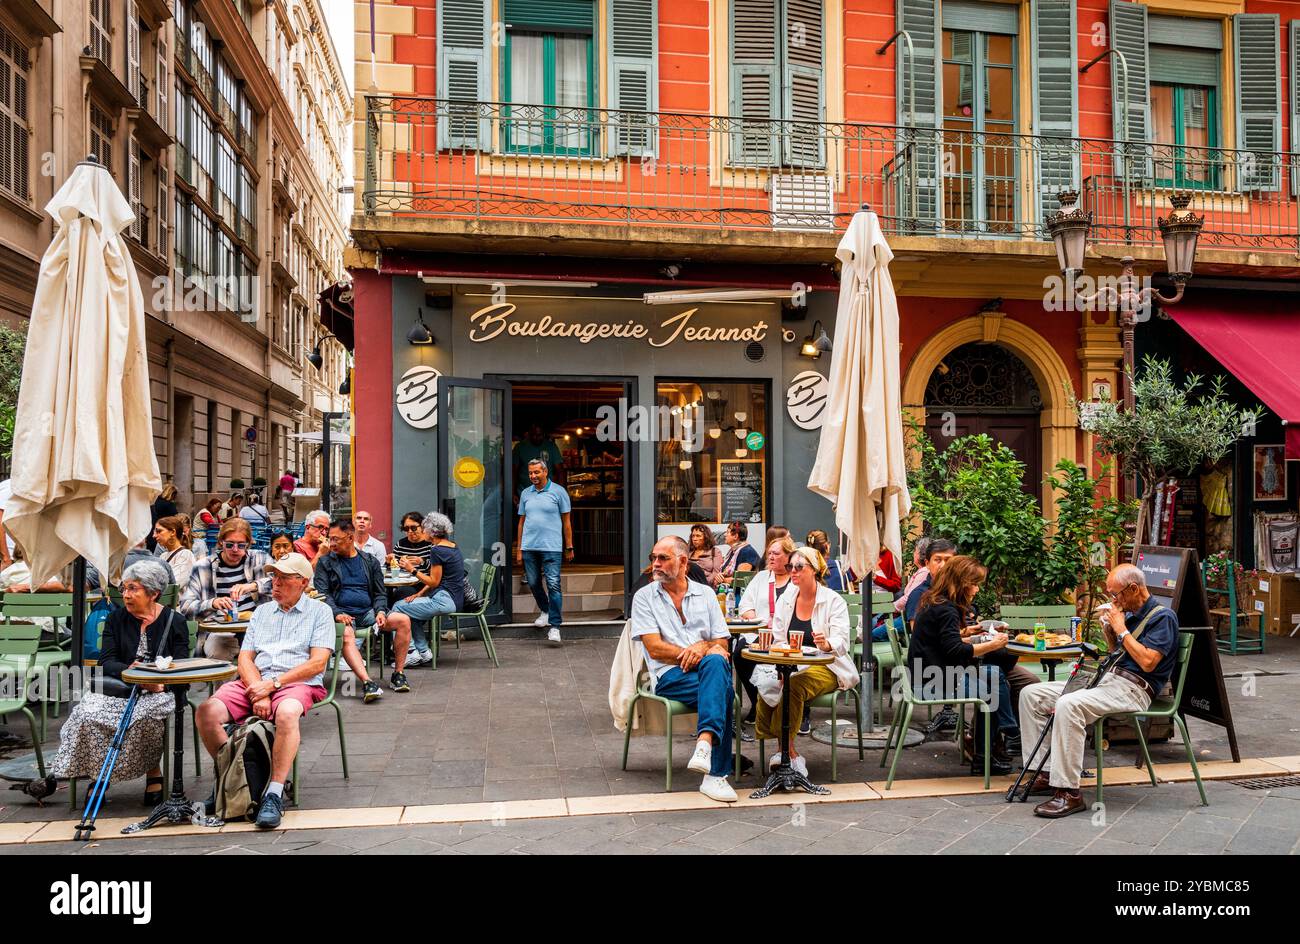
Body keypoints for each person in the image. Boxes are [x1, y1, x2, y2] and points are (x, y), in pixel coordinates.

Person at [1019, 564, 1181, 819]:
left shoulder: (1163, 618)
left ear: (1134, 589)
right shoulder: (1129, 612)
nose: (1113, 600)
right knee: (1031, 694)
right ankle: (1046, 773)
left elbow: (1148, 662)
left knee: (1069, 705)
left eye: (1115, 594)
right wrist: (1110, 632)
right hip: (1108, 680)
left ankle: (1068, 793)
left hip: (1134, 689)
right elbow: (1120, 652)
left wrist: (1121, 629)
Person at [195, 552, 334, 828]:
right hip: (256, 681)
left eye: (283, 578)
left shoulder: (320, 612)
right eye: (274, 577)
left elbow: (318, 663)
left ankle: (274, 791)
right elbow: (245, 658)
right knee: (206, 712)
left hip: (296, 682)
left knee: (286, 714)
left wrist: (273, 687)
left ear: (303, 582)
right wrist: (261, 689)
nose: (276, 584)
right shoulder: (261, 612)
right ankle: (233, 778)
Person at [37, 560, 189, 806]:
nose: (126, 595)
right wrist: (131, 671)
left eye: (133, 589)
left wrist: (160, 685)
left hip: (159, 690)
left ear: (153, 594)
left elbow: (182, 666)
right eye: (124, 589)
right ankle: (100, 775)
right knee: (87, 714)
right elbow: (107, 661)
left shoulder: (175, 621)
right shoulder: (116, 619)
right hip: (120, 687)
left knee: (144, 719)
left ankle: (153, 772)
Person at [629, 536, 737, 803]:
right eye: (654, 558)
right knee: (721, 683)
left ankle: (703, 745)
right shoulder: (644, 597)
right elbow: (654, 648)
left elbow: (722, 642)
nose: (655, 564)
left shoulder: (707, 594)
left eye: (663, 558)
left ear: (683, 561)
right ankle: (716, 774)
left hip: (704, 671)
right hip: (670, 676)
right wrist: (696, 653)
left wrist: (702, 648)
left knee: (716, 663)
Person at [909, 555, 1017, 776]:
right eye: (974, 584)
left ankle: (1002, 738)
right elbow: (954, 651)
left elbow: (945, 641)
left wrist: (968, 633)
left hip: (926, 674)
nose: (976, 590)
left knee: (994, 675)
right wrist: (993, 643)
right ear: (959, 583)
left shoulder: (934, 600)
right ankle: (990, 752)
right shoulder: (947, 609)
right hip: (934, 682)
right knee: (991, 690)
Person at [757, 547, 859, 775]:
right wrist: (783, 668)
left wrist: (827, 644)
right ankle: (788, 754)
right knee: (765, 683)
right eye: (790, 567)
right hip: (793, 663)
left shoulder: (833, 600)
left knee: (795, 686)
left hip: (827, 666)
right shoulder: (787, 599)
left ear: (814, 570)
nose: (792, 571)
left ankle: (786, 754)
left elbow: (843, 642)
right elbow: (779, 638)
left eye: (799, 567)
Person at [313, 519, 389, 703]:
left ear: (349, 538)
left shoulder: (369, 561)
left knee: (402, 620)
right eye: (329, 539)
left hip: (368, 612)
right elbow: (323, 594)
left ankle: (399, 675)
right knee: (347, 634)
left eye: (335, 539)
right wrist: (337, 612)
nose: (331, 544)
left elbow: (380, 592)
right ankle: (368, 682)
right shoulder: (326, 562)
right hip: (342, 615)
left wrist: (380, 611)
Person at [180, 518, 272, 661]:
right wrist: (212, 603)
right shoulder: (203, 567)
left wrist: (253, 586)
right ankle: (226, 684)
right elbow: (186, 607)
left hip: (259, 629)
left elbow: (282, 584)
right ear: (221, 542)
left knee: (272, 654)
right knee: (217, 651)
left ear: (248, 544)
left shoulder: (260, 559)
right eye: (229, 545)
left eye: (241, 545)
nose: (235, 550)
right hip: (221, 631)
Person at [385, 512, 465, 670]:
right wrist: (418, 594)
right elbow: (440, 579)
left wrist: (412, 570)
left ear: (430, 531)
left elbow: (433, 581)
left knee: (397, 609)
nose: (422, 532)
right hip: (453, 598)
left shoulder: (437, 550)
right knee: (409, 608)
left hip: (443, 600)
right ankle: (423, 650)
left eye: (424, 528)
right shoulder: (452, 546)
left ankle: (411, 651)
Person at [736, 535, 797, 725]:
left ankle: (800, 710)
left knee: (794, 663)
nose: (770, 557)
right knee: (739, 654)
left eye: (776, 553)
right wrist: (760, 622)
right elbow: (745, 606)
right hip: (761, 633)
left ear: (788, 556)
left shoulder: (796, 579)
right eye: (769, 553)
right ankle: (757, 702)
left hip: (788, 635)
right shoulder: (761, 577)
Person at [515, 457, 573, 645]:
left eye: (536, 472)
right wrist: (519, 548)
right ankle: (546, 611)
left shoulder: (559, 492)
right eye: (530, 472)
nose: (533, 476)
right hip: (530, 547)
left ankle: (555, 626)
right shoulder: (525, 493)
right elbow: (521, 522)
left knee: (554, 584)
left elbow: (566, 522)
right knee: (532, 582)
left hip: (552, 547)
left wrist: (569, 546)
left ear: (545, 472)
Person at [391, 511, 436, 663]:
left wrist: (421, 562)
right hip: (405, 585)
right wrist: (390, 561)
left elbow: (436, 574)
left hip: (426, 588)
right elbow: (394, 566)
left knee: (401, 603)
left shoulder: (431, 545)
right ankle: (421, 649)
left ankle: (410, 649)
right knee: (394, 598)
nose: (410, 532)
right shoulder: (401, 544)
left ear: (423, 527)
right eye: (406, 529)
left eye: (413, 528)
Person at [903, 538, 957, 623]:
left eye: (948, 560)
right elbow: (919, 634)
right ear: (927, 564)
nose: (943, 565)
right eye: (937, 560)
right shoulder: (919, 595)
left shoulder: (959, 589)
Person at [513, 423, 564, 491]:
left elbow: (560, 471)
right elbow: (513, 472)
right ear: (529, 434)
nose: (535, 437)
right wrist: (512, 492)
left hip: (547, 492)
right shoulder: (520, 447)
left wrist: (561, 492)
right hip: (524, 491)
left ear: (543, 434)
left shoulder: (551, 447)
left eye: (539, 435)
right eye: (533, 435)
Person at [153, 514, 197, 588]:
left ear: (173, 532)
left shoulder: (186, 555)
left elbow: (173, 584)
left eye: (159, 531)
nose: (154, 535)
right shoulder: (163, 556)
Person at [147, 483, 179, 551]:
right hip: (162, 532)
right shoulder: (169, 505)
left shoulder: (153, 501)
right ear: (171, 494)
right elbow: (176, 519)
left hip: (149, 529)